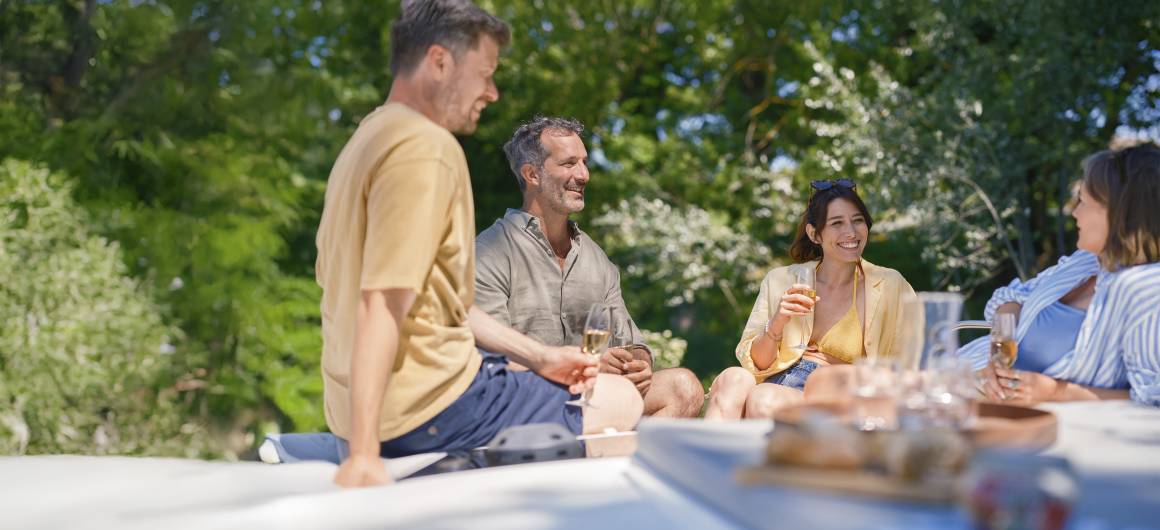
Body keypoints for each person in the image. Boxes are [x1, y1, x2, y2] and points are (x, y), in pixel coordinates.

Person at [315, 0, 642, 488]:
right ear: (440, 62)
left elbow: (438, 302)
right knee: (622, 401)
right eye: (484, 73)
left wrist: (542, 357)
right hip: (427, 406)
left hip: (357, 407)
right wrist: (364, 456)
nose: (492, 92)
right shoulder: (425, 148)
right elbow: (381, 302)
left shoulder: (368, 137)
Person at [474, 116, 704, 419]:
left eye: (584, 162)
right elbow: (494, 356)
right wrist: (587, 364)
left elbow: (631, 341)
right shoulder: (489, 251)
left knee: (684, 387)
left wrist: (638, 366)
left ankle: (625, 464)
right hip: (524, 398)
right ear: (532, 174)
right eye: (569, 164)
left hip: (596, 394)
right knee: (614, 400)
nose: (583, 174)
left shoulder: (597, 259)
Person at [704, 179, 917, 420]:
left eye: (858, 220)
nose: (851, 232)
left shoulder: (890, 285)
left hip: (834, 393)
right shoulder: (781, 280)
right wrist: (777, 323)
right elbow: (759, 364)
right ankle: (708, 455)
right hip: (775, 379)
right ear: (814, 234)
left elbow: (907, 365)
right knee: (733, 379)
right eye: (837, 223)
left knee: (764, 398)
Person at [974, 143, 1160, 405]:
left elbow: (1150, 399)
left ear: (1120, 214)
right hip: (971, 379)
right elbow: (1013, 294)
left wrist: (1055, 391)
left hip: (1018, 420)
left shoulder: (1144, 291)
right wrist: (1000, 346)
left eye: (1083, 202)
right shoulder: (1085, 263)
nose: (1074, 213)